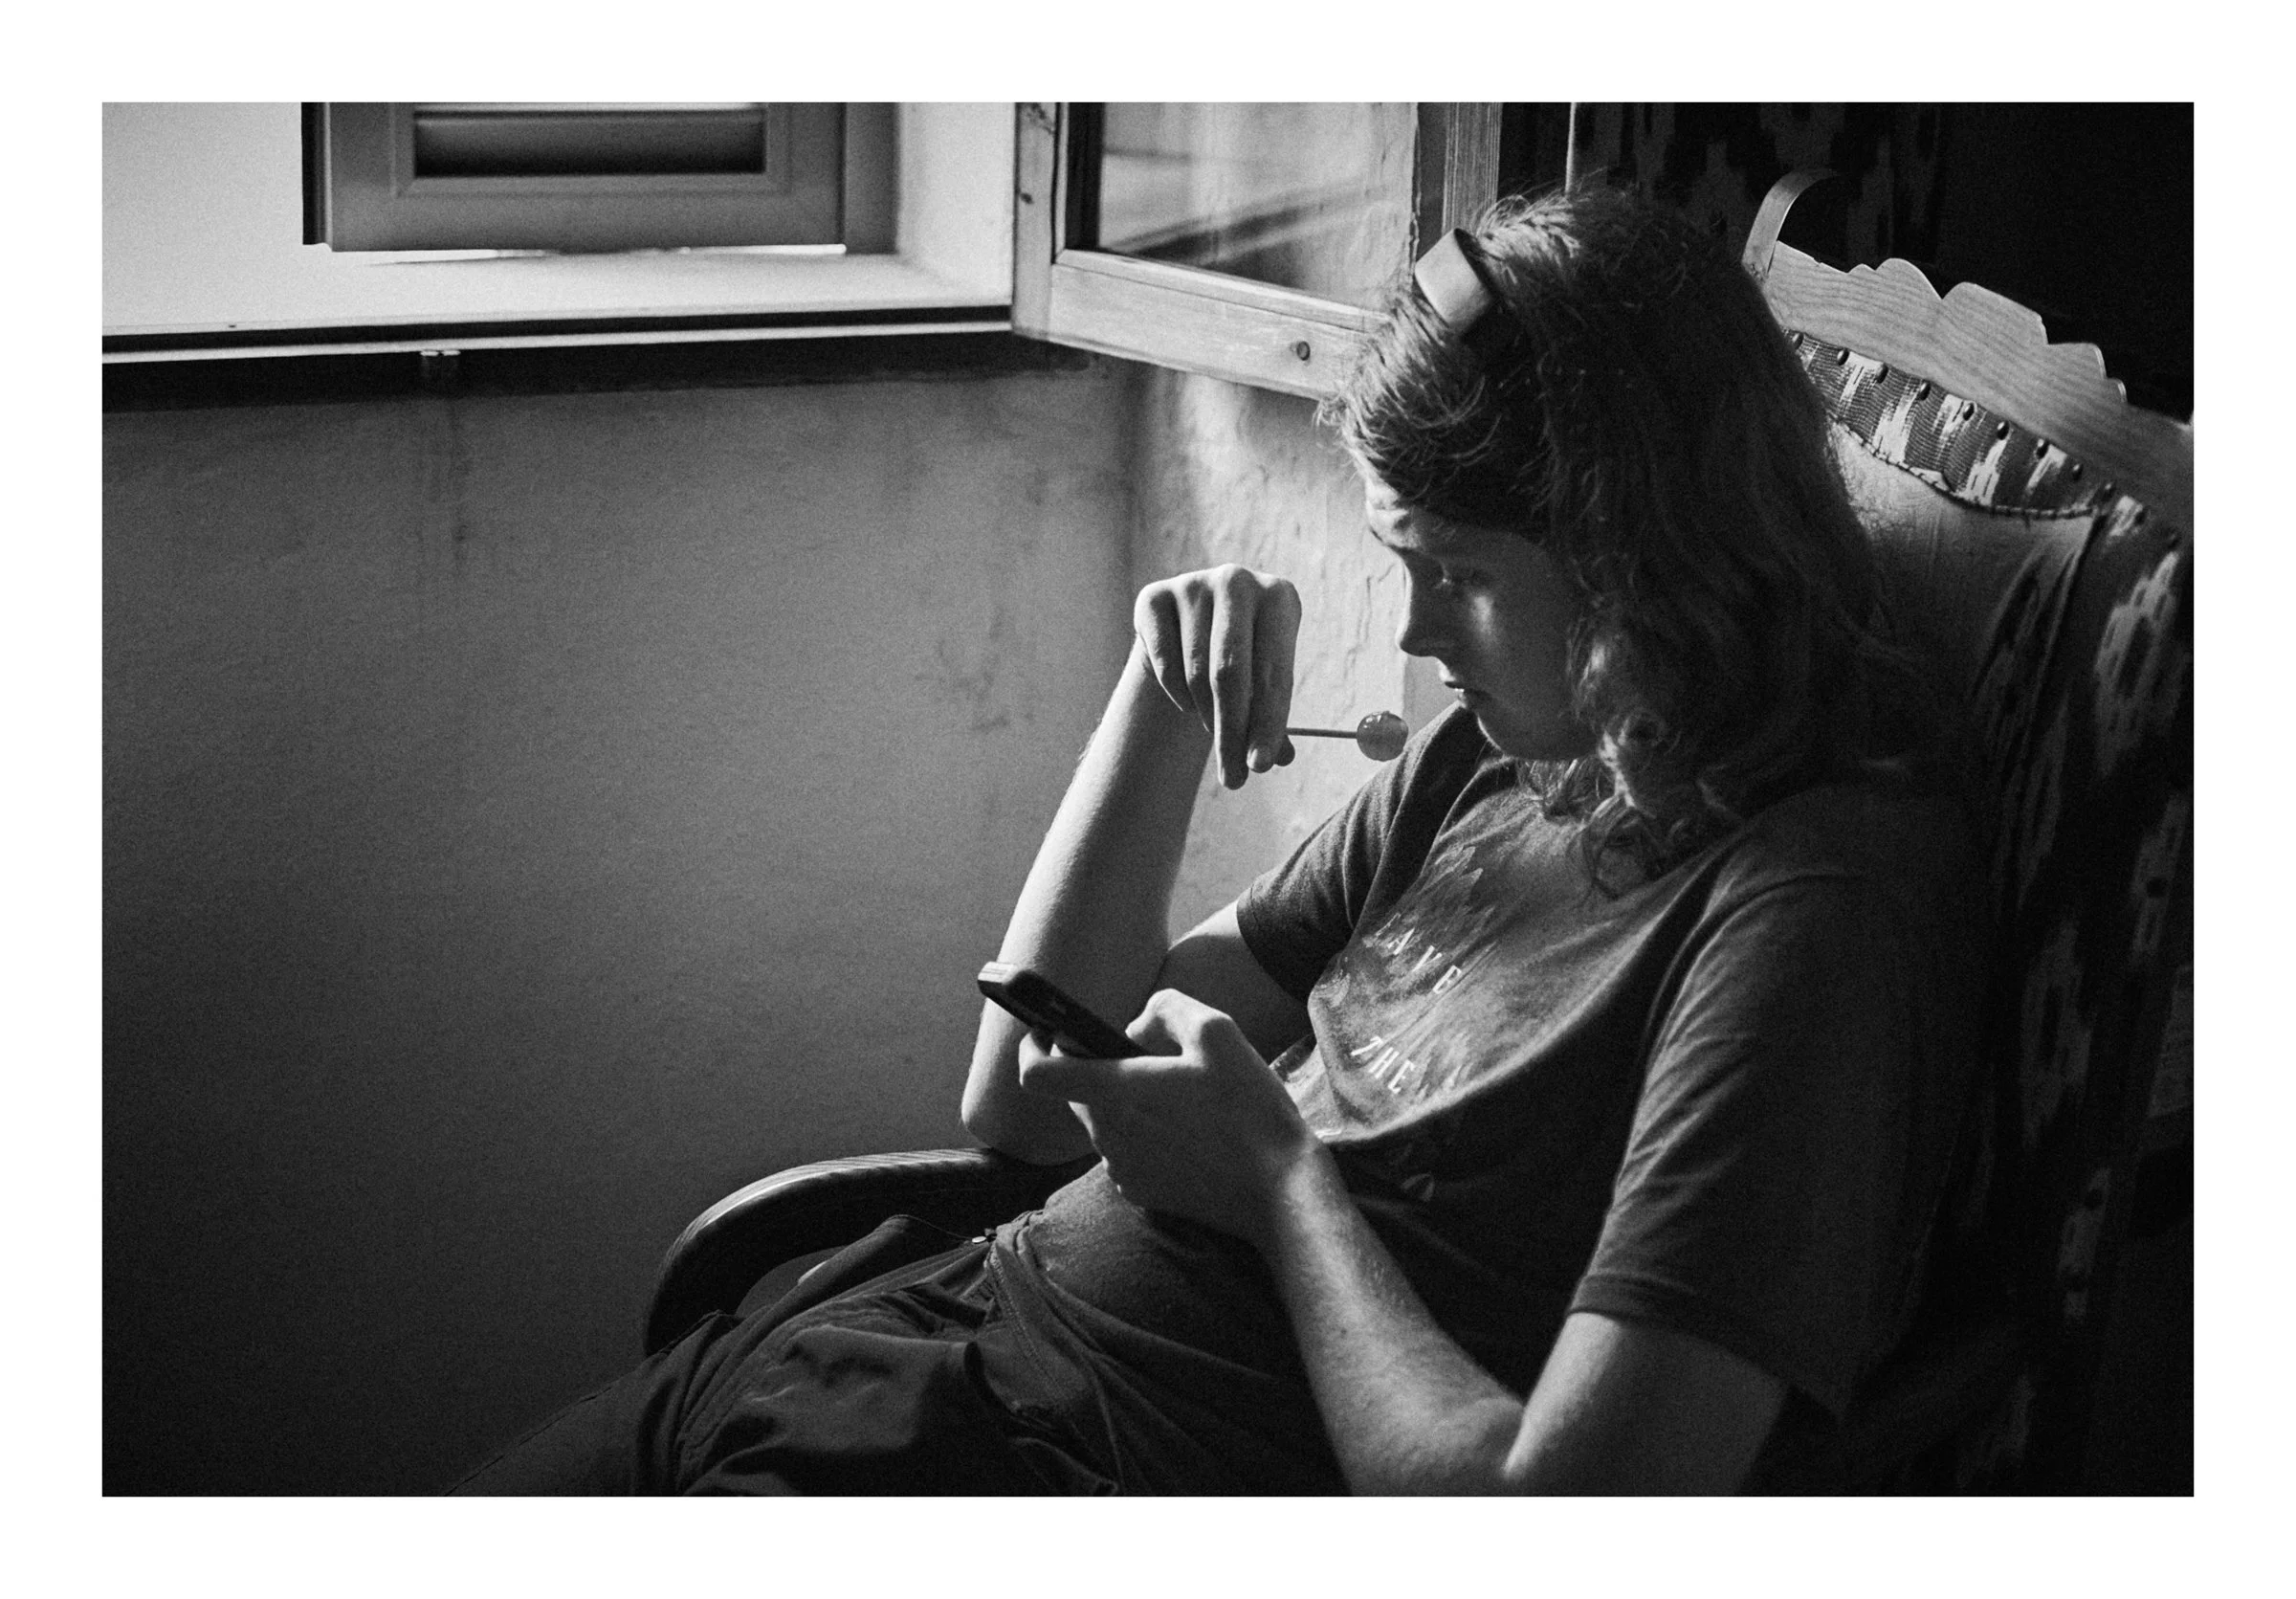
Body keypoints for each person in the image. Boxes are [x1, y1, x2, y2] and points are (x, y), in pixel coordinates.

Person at [452, 186, 1983, 1496]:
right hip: (898, 1338)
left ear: (1642, 560)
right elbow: (1023, 1103)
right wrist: (1157, 703)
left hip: (1049, 1465)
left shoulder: (1808, 915)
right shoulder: (1497, 758)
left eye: (1457, 572)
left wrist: (1277, 1183)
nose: (1420, 630)